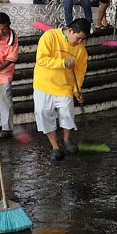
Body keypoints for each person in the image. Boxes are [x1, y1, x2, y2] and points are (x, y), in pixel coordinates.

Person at [33, 18, 90, 161]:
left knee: (67, 114)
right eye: (78, 39)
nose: (79, 42)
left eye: (82, 40)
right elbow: (41, 59)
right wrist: (63, 62)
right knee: (44, 114)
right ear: (70, 31)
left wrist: (77, 91)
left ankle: (66, 140)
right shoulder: (50, 36)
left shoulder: (80, 50)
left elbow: (80, 71)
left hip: (64, 87)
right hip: (43, 85)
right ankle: (55, 147)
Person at [0, 12, 20, 140]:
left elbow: (11, 59)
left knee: (5, 100)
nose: (0, 31)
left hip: (4, 72)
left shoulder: (13, 38)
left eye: (3, 29)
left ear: (9, 26)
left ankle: (7, 128)